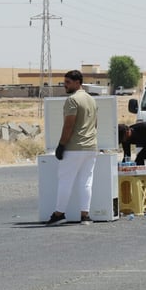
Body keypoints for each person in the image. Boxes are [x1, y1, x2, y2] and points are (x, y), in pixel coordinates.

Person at [47, 70, 98, 225]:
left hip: (74, 148)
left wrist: (61, 145)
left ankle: (59, 213)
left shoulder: (72, 100)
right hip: (91, 147)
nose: (65, 85)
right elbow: (95, 124)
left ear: (78, 82)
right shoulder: (91, 100)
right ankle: (85, 215)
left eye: (68, 82)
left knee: (65, 181)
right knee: (86, 181)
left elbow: (69, 125)